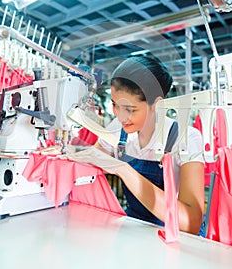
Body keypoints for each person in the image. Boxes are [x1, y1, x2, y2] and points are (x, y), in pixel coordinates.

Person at [70, 55, 205, 235]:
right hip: (134, 226)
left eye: (130, 109)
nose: (119, 116)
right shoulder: (119, 128)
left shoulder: (186, 138)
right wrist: (69, 154)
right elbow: (93, 161)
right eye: (115, 105)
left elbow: (191, 223)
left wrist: (123, 169)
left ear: (156, 105)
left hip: (173, 234)